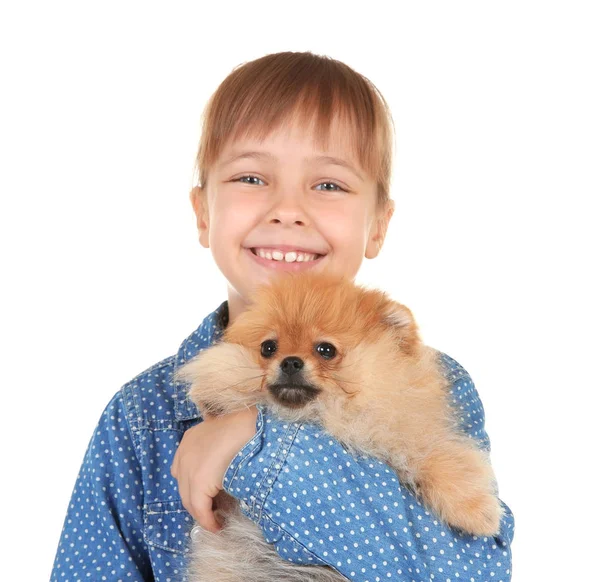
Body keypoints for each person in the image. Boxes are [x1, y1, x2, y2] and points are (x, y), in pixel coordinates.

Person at [51, 51, 514, 582]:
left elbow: (469, 567)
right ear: (203, 214)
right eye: (251, 178)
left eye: (328, 185)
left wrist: (258, 443)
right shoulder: (140, 415)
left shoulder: (435, 384)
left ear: (378, 225)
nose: (287, 209)